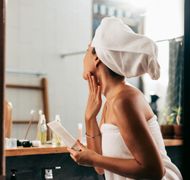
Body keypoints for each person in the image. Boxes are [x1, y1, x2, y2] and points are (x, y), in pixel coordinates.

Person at [67, 17, 183, 180]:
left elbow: (154, 171)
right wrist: (89, 118)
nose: (83, 57)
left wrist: (92, 157)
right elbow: (100, 168)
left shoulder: (124, 99)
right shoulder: (111, 101)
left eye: (87, 50)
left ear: (97, 57)